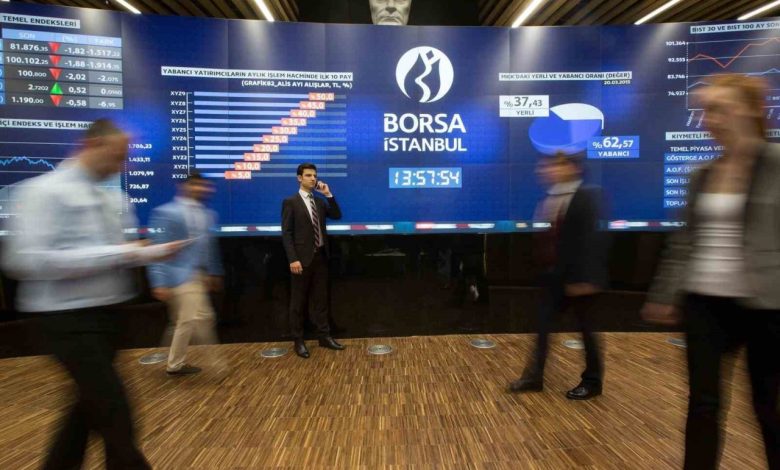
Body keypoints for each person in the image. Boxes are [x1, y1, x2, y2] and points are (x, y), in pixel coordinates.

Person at [2, 119, 184, 470]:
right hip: (64, 319)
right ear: (93, 145)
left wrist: (145, 252)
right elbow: (26, 260)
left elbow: (117, 252)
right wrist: (121, 253)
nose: (122, 166)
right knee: (116, 416)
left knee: (86, 411)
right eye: (117, 157)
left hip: (107, 318)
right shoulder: (44, 192)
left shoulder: (112, 197)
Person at [642, 74, 780, 470]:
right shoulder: (701, 174)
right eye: (706, 111)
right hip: (704, 304)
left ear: (752, 109)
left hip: (766, 306)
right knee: (703, 405)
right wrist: (664, 295)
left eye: (720, 109)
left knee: (768, 407)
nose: (710, 119)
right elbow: (683, 243)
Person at [508, 152, 608, 400]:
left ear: (571, 168)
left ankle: (592, 382)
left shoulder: (587, 196)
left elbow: (592, 241)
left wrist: (585, 278)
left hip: (580, 279)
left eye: (551, 166)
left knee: (587, 331)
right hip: (554, 277)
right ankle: (534, 378)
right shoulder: (550, 198)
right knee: (543, 328)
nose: (543, 171)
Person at [147, 171, 224, 376]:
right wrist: (158, 282)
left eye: (203, 185)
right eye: (195, 185)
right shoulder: (166, 212)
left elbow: (209, 247)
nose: (200, 189)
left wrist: (213, 272)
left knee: (185, 321)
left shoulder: (208, 214)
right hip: (177, 275)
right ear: (184, 186)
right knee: (198, 318)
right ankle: (216, 365)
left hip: (198, 275)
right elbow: (157, 248)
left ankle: (174, 363)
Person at [282, 163, 344, 358]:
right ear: (299, 178)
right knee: (298, 303)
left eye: (314, 175)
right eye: (308, 175)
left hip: (321, 257)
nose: (313, 179)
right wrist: (293, 259)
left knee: (321, 300)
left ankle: (324, 336)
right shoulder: (290, 202)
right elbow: (287, 233)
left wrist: (328, 194)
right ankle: (298, 340)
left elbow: (337, 215)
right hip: (301, 260)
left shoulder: (319, 202)